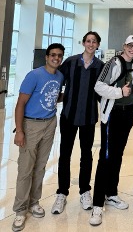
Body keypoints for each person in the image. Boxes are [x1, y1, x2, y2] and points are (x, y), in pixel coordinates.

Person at [12, 43, 65, 232]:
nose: (56, 58)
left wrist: (68, 96)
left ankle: (34, 202)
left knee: (40, 167)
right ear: (46, 56)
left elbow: (53, 96)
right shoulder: (34, 75)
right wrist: (19, 130)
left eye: (59, 55)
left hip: (49, 123)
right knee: (25, 169)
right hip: (31, 124)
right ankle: (20, 210)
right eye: (53, 55)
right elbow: (20, 103)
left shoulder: (59, 76)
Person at [89, 35, 133, 226]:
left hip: (127, 116)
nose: (132, 49)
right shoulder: (113, 63)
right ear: (123, 46)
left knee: (117, 155)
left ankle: (111, 193)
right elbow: (99, 86)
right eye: (129, 45)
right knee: (106, 157)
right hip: (112, 116)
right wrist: (119, 93)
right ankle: (97, 204)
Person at [51, 31, 104, 214]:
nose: (91, 44)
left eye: (94, 41)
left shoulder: (100, 66)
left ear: (97, 45)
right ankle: (62, 193)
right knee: (64, 155)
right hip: (69, 117)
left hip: (89, 118)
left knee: (86, 155)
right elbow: (57, 80)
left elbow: (103, 92)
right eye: (88, 41)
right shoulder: (71, 62)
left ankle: (85, 191)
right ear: (83, 43)